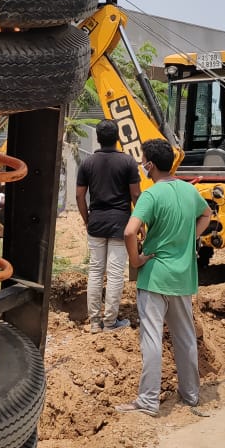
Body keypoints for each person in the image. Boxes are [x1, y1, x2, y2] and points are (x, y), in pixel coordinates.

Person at [116, 138, 211, 417]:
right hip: (183, 276)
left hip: (155, 275)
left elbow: (129, 232)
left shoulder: (151, 195)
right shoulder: (188, 190)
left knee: (152, 339)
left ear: (150, 165)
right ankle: (191, 394)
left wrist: (136, 260)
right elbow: (206, 214)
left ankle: (148, 401)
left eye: (144, 160)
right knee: (184, 336)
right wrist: (189, 237)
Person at [76, 120, 141, 332]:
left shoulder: (87, 162)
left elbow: (79, 195)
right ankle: (111, 322)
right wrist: (139, 221)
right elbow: (135, 194)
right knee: (114, 273)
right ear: (117, 138)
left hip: (96, 222)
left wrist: (87, 219)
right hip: (120, 223)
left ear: (97, 137)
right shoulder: (128, 162)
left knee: (95, 270)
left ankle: (94, 322)